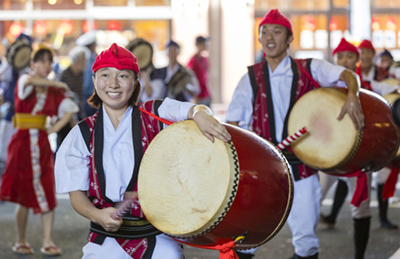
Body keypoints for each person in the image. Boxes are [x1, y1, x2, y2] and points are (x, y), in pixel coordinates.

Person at [54, 43, 231, 259]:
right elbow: (76, 194)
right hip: (105, 237)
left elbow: (188, 109)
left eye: (123, 76)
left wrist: (199, 113)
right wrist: (97, 215)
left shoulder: (154, 114)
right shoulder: (81, 133)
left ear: (135, 81)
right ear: (94, 80)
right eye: (105, 75)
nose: (113, 84)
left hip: (157, 234)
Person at [225, 10, 364, 259]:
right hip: (263, 171)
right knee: (247, 239)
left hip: (302, 168)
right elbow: (234, 123)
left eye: (276, 31)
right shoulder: (251, 77)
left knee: (306, 241)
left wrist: (352, 95)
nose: (269, 37)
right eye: (264, 32)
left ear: (289, 38)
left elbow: (347, 76)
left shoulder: (310, 67)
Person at [0, 44, 79, 255]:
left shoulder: (53, 89)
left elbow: (70, 109)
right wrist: (59, 83)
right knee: (23, 193)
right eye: (41, 61)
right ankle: (20, 240)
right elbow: (30, 82)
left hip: (41, 144)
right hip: (22, 143)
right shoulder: (26, 80)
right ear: (33, 64)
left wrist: (55, 127)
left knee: (47, 189)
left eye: (49, 61)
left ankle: (47, 241)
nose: (46, 65)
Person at [321, 38, 399, 231]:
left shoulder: (369, 84)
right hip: (330, 150)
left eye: (350, 56)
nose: (345, 60)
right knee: (313, 195)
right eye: (340, 56)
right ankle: (308, 242)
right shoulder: (323, 84)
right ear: (335, 59)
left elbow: (390, 89)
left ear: (357, 59)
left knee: (361, 207)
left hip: (361, 152)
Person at [0, 33, 32, 181]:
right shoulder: (8, 68)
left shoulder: (28, 72)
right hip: (10, 113)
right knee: (5, 150)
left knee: (20, 152)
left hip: (23, 117)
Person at [57, 46, 88, 150]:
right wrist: (71, 117)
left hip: (78, 112)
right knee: (64, 145)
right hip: (66, 116)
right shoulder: (64, 74)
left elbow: (80, 95)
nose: (85, 64)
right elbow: (61, 97)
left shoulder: (81, 74)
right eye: (84, 61)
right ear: (77, 61)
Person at [76, 30, 98, 117]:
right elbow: (87, 81)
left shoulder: (93, 57)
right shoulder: (88, 59)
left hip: (91, 94)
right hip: (88, 95)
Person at [187, 36, 212, 107]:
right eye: (203, 43)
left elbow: (206, 78)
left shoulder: (205, 59)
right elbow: (190, 80)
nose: (206, 45)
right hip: (198, 97)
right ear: (198, 45)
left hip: (206, 95)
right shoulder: (193, 61)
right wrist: (194, 97)